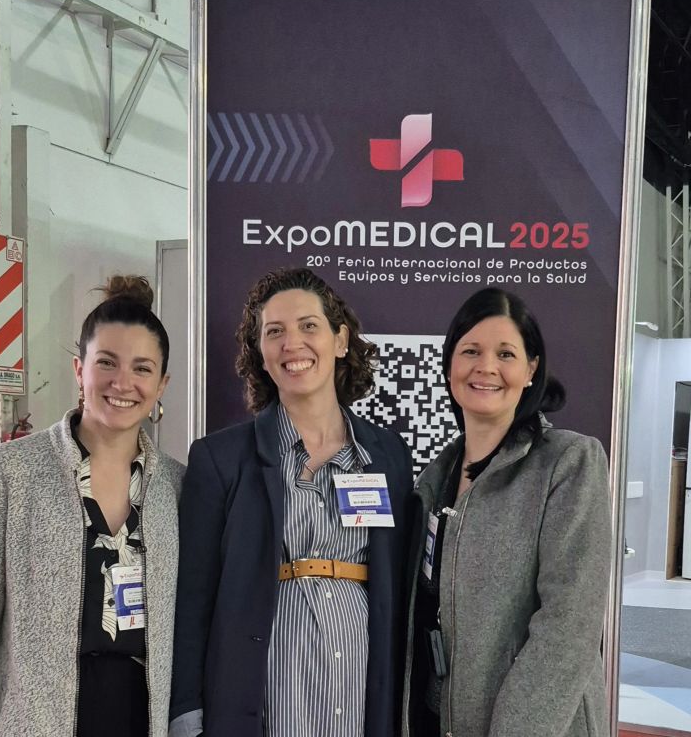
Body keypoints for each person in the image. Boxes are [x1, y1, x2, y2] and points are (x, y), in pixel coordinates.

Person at [0, 275, 184, 737]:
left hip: (141, 717)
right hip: (35, 720)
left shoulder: (177, 485)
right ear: (78, 369)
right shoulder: (7, 473)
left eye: (142, 368)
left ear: (162, 383)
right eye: (106, 362)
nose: (122, 382)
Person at [169, 267, 413, 737]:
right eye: (274, 331)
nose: (292, 344)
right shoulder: (220, 459)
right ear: (260, 353)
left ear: (340, 340)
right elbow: (193, 597)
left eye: (308, 326)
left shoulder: (388, 456)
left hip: (362, 690)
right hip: (260, 696)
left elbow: (400, 591)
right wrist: (186, 712)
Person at [403, 286, 612, 737]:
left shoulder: (568, 463)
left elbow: (569, 626)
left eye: (505, 354)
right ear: (450, 365)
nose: (486, 367)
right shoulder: (430, 483)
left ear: (531, 368)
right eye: (470, 351)